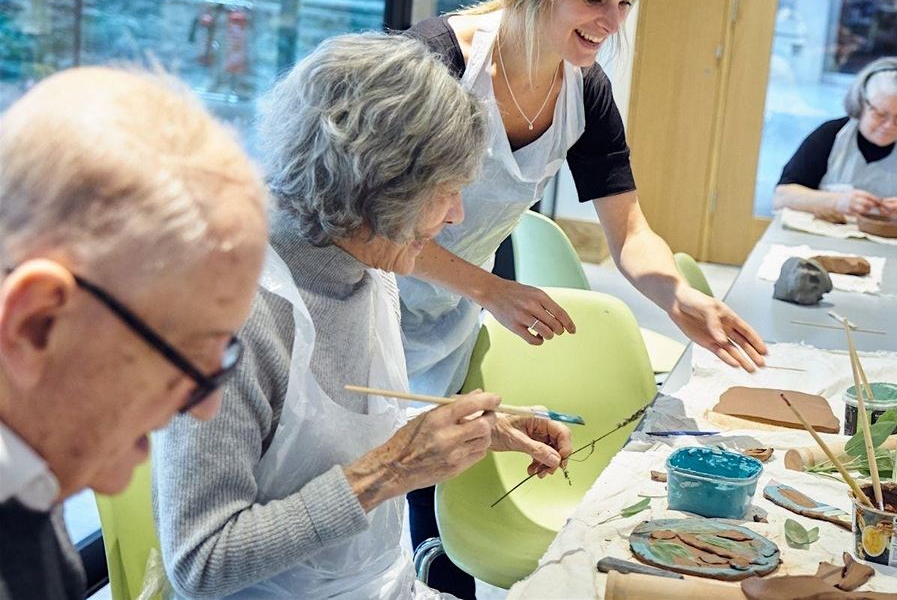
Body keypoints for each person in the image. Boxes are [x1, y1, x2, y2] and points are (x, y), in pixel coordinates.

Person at [400, 0, 769, 592]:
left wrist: (677, 296)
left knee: (430, 481)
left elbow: (628, 231)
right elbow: (375, 226)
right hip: (364, 298)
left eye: (626, 3)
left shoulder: (584, 92)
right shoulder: (437, 63)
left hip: (450, 308)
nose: (611, 23)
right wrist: (490, 289)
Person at [152, 33, 571, 599]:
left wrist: (476, 433)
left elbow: (328, 438)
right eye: (444, 193)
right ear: (375, 188)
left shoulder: (370, 266)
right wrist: (391, 472)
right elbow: (200, 562)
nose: (456, 216)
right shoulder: (234, 317)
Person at [0, 67, 268, 599]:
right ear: (37, 326)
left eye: (225, 358)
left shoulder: (30, 478)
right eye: (190, 362)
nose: (206, 409)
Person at [772, 56, 897, 226]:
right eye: (880, 114)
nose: (889, 125)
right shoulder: (831, 135)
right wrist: (838, 201)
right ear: (861, 103)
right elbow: (782, 196)